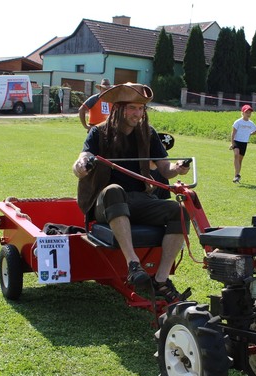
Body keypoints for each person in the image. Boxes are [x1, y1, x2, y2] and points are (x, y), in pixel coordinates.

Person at [72, 83, 192, 302]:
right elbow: (81, 160)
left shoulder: (148, 133)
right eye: (132, 108)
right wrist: (81, 165)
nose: (138, 113)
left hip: (140, 200)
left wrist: (178, 167)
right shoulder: (99, 132)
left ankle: (161, 279)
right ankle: (133, 264)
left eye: (141, 108)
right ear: (119, 109)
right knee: (114, 190)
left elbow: (165, 169)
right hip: (105, 203)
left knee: (180, 211)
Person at [230, 104, 256, 183]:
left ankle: (236, 175)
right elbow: (233, 133)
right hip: (237, 141)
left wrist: (250, 134)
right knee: (236, 154)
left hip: (244, 143)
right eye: (247, 112)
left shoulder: (251, 123)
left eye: (250, 112)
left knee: (240, 160)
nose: (248, 114)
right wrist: (232, 143)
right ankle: (237, 175)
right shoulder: (238, 122)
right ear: (242, 113)